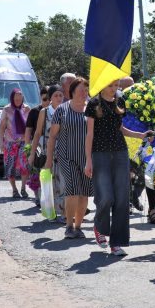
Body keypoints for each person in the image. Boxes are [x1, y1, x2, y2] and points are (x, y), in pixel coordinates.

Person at [84, 80, 150, 257]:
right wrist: (88, 160)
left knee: (121, 198)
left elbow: (119, 128)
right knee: (105, 197)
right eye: (110, 85)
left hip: (120, 152)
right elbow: (89, 134)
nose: (114, 89)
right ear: (102, 85)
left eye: (116, 86)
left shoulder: (120, 101)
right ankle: (100, 226)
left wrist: (139, 135)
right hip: (100, 154)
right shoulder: (93, 104)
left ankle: (117, 243)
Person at [45, 77, 92, 239]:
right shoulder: (62, 110)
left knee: (84, 193)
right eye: (81, 90)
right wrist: (48, 159)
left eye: (86, 90)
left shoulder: (91, 109)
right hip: (66, 156)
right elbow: (52, 136)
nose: (84, 93)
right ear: (72, 92)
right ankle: (69, 226)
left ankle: (78, 226)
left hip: (86, 157)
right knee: (72, 189)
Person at [32, 85, 66, 219]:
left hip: (64, 151)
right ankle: (51, 212)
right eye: (56, 95)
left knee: (63, 182)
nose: (58, 98)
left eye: (60, 95)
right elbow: (37, 133)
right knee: (49, 183)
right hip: (47, 151)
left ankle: (65, 213)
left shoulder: (66, 110)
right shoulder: (44, 112)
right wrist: (33, 152)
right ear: (50, 97)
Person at [0, 88, 31, 198]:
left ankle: (23, 189)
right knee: (10, 166)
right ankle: (14, 189)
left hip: (24, 141)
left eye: (20, 97)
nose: (18, 99)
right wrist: (1, 142)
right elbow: (2, 126)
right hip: (10, 142)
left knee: (24, 165)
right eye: (16, 97)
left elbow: (30, 126)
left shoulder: (27, 109)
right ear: (12, 98)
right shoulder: (7, 109)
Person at [25, 87, 50, 205]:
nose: (47, 102)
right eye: (45, 99)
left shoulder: (57, 110)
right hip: (37, 143)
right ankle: (37, 195)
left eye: (49, 99)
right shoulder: (35, 111)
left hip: (50, 143)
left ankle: (47, 197)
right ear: (41, 98)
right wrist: (27, 147)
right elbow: (29, 130)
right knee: (36, 170)